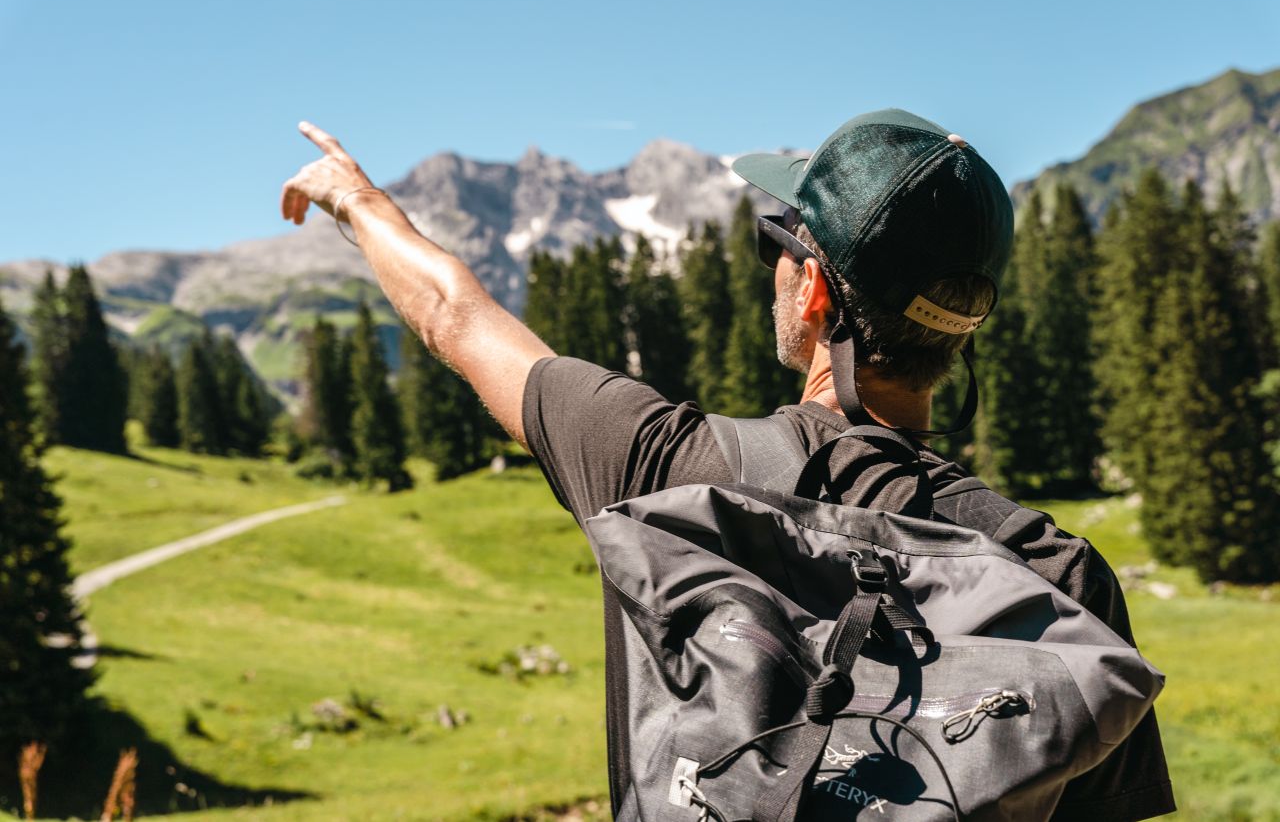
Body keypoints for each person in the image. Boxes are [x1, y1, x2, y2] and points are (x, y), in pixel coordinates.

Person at [280, 109, 1174, 820]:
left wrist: (355, 198)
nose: (773, 265)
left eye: (778, 243)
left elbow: (454, 315)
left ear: (814, 289)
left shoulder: (669, 469)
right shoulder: (1065, 581)